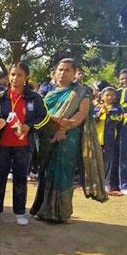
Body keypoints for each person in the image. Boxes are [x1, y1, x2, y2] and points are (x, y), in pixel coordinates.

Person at [31, 58, 108, 222]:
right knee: (46, 172)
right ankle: (44, 210)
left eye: (67, 70)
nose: (62, 73)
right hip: (48, 137)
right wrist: (57, 122)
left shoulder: (82, 92)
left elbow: (81, 114)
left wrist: (64, 128)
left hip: (69, 138)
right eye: (60, 69)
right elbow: (42, 114)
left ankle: (62, 213)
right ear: (55, 72)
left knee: (63, 172)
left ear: (74, 73)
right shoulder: (50, 93)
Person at [0, 62, 50, 225]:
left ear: (26, 77)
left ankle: (20, 212)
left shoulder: (35, 98)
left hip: (23, 145)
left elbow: (44, 119)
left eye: (19, 75)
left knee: (20, 178)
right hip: (2, 145)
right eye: (12, 74)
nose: (15, 78)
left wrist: (29, 126)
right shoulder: (0, 97)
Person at [93, 86, 122, 196]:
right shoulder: (96, 107)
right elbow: (93, 120)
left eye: (112, 95)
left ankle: (107, 184)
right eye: (107, 95)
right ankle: (96, 183)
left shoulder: (117, 108)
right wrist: (100, 113)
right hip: (98, 138)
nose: (109, 97)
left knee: (109, 161)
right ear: (102, 96)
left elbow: (117, 120)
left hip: (110, 138)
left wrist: (108, 113)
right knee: (97, 160)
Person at [117, 69, 127, 195]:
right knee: (123, 155)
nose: (124, 81)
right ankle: (123, 184)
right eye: (122, 79)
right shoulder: (115, 93)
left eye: (126, 78)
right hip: (120, 127)